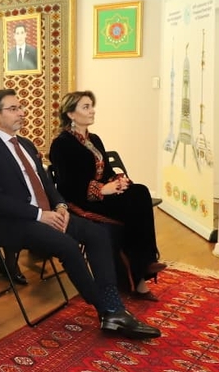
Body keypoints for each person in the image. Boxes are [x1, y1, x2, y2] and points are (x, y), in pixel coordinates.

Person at [0, 89, 160, 340]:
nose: (22, 112)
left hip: (49, 214)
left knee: (97, 233)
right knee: (69, 246)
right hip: (17, 223)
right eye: (13, 109)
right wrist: (40, 215)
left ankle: (112, 304)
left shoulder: (25, 144)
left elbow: (48, 184)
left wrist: (60, 206)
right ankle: (109, 310)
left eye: (21, 107)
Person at [49, 91, 164, 297]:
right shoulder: (62, 144)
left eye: (92, 106)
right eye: (86, 107)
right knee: (133, 209)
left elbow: (108, 172)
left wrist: (117, 182)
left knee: (140, 192)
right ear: (71, 114)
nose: (92, 110)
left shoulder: (94, 139)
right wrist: (102, 190)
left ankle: (146, 262)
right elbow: (68, 185)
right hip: (81, 201)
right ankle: (141, 270)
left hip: (102, 195)